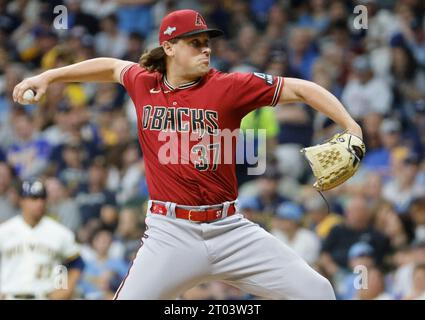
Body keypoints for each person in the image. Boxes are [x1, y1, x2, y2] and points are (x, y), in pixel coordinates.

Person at [13, 9, 363, 300]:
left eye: (206, 43)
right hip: (170, 233)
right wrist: (49, 76)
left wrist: (351, 125)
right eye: (194, 43)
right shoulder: (144, 82)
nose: (205, 50)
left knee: (317, 291)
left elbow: (302, 89)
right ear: (169, 47)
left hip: (229, 229)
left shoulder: (228, 87)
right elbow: (110, 67)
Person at [0, 180, 84, 299]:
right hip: (9, 296)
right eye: (33, 198)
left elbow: (76, 263)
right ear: (21, 201)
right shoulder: (4, 231)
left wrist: (65, 288)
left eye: (42, 198)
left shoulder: (60, 232)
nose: (39, 203)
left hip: (44, 296)